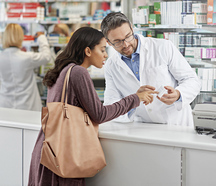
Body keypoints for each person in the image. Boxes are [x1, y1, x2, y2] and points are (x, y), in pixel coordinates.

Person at [28, 26, 157, 186]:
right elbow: (99, 114)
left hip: (48, 151)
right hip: (64, 155)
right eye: (102, 49)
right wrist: (134, 99)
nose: (105, 55)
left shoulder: (62, 70)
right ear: (88, 51)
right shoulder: (78, 73)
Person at [101, 12, 201, 126]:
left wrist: (178, 94)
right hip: (143, 127)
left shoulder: (163, 47)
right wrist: (134, 101)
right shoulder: (111, 66)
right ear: (108, 42)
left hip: (176, 124)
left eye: (128, 36)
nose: (126, 44)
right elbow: (111, 105)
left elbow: (192, 80)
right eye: (118, 41)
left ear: (132, 29)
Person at [0, 23, 51, 111]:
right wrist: (41, 38)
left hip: (5, 105)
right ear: (21, 37)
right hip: (27, 105)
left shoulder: (1, 57)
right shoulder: (27, 57)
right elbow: (46, 56)